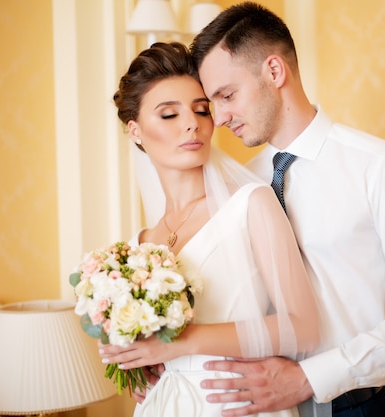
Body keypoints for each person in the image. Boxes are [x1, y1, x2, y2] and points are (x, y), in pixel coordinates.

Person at [189, 2, 385, 417]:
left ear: (274, 72)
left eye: (227, 96)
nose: (219, 118)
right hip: (258, 407)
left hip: (351, 406)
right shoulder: (238, 187)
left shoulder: (381, 166)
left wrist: (310, 378)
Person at [98, 42, 320, 417]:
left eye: (202, 110)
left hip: (237, 403)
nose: (193, 123)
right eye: (169, 115)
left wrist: (179, 344)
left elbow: (303, 328)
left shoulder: (251, 205)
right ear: (135, 130)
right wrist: (134, 359)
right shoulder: (138, 246)